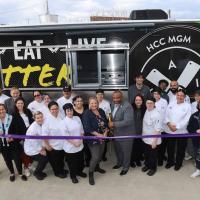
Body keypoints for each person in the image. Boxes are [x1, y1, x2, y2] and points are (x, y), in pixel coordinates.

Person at [82, 97, 108, 185]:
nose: (94, 105)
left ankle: (97, 167)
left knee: (100, 154)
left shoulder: (101, 111)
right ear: (89, 104)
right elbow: (87, 127)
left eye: (95, 103)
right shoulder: (86, 113)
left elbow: (106, 122)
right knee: (95, 156)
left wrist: (105, 133)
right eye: (92, 103)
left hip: (103, 137)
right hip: (92, 138)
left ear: (98, 104)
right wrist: (98, 135)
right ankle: (91, 173)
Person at [109, 90, 135, 175]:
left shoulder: (127, 106)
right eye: (114, 98)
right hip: (116, 134)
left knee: (126, 152)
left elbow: (128, 121)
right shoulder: (112, 104)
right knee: (118, 150)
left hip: (126, 134)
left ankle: (125, 167)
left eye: (118, 97)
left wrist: (113, 124)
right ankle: (119, 163)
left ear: (122, 97)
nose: (115, 99)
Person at [164, 89, 191, 170]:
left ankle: (178, 164)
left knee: (181, 149)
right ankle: (170, 162)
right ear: (176, 96)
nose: (179, 97)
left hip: (182, 131)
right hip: (170, 130)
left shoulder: (187, 106)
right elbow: (166, 115)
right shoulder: (171, 104)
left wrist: (177, 127)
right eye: (178, 95)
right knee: (170, 148)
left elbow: (187, 119)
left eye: (181, 95)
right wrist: (169, 124)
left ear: (185, 96)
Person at [0, 104, 27, 182]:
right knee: (7, 159)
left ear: (6, 109)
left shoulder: (12, 118)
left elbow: (18, 130)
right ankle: (12, 173)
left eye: (3, 109)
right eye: (0, 110)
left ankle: (21, 173)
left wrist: (13, 138)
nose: (1, 111)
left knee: (17, 158)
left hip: (13, 143)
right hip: (2, 144)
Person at [62, 103, 87, 184]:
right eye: (68, 111)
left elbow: (82, 130)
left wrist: (80, 140)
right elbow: (66, 136)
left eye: (71, 110)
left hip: (80, 144)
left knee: (80, 161)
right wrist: (74, 143)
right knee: (72, 163)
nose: (70, 112)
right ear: (65, 112)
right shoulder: (63, 122)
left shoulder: (77, 118)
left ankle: (79, 172)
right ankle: (73, 176)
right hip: (70, 147)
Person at [9, 97, 34, 177]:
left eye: (21, 103)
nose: (20, 105)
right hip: (21, 136)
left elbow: (32, 121)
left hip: (30, 134)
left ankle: (29, 164)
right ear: (16, 104)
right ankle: (26, 167)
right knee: (25, 152)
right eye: (18, 103)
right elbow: (12, 127)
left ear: (24, 104)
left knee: (30, 151)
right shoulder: (13, 114)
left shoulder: (28, 111)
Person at [42, 101, 67, 178]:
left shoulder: (61, 117)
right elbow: (44, 135)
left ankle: (61, 169)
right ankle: (58, 172)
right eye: (52, 109)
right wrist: (47, 145)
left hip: (62, 144)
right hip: (52, 145)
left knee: (61, 159)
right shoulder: (46, 120)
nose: (55, 110)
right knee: (55, 161)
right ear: (49, 110)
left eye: (56, 108)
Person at [24, 111, 48, 180]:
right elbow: (33, 142)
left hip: (39, 145)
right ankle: (37, 172)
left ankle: (39, 171)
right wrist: (41, 150)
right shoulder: (32, 129)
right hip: (32, 149)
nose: (40, 119)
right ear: (34, 118)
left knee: (46, 156)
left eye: (41, 117)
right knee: (44, 159)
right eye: (38, 118)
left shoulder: (42, 124)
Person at [142, 97, 162, 176]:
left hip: (153, 139)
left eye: (151, 103)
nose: (149, 104)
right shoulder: (147, 110)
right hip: (145, 137)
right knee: (146, 154)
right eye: (148, 103)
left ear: (154, 104)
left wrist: (154, 141)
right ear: (146, 104)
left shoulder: (157, 114)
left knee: (152, 155)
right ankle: (147, 165)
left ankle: (153, 168)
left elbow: (157, 129)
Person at [72, 95, 91, 167]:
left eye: (80, 101)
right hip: (77, 133)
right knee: (79, 149)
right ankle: (80, 164)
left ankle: (88, 161)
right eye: (77, 101)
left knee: (87, 148)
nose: (79, 102)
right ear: (74, 102)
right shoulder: (72, 111)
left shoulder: (87, 108)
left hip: (87, 132)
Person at [152, 88, 168, 166]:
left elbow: (165, 114)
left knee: (162, 145)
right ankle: (156, 158)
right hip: (154, 127)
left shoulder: (164, 101)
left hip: (163, 127)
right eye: (154, 93)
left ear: (160, 94)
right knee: (155, 144)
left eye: (157, 94)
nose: (156, 95)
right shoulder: (152, 101)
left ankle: (160, 160)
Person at [96, 89, 111, 161]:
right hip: (95, 125)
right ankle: (97, 156)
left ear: (103, 95)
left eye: (101, 94)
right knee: (97, 141)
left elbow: (109, 114)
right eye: (98, 94)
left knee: (104, 141)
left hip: (104, 124)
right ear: (96, 95)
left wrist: (109, 122)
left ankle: (103, 156)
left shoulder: (107, 103)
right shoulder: (94, 102)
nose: (100, 96)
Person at [130, 94, 146, 168]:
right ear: (134, 101)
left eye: (140, 100)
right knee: (133, 147)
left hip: (142, 132)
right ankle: (132, 160)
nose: (138, 101)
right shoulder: (130, 109)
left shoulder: (145, 109)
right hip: (132, 131)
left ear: (142, 101)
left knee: (140, 147)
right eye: (136, 100)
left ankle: (138, 160)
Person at [187, 101, 200, 178]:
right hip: (197, 140)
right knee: (197, 155)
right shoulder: (194, 115)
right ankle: (198, 170)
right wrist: (196, 130)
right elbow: (189, 127)